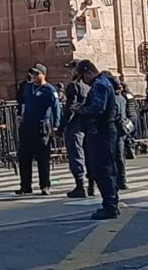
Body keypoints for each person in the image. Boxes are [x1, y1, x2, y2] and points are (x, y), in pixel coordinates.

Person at [73, 60, 121, 220]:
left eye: (83, 77)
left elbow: (98, 108)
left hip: (102, 131)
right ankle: (111, 203)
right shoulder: (103, 82)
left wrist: (80, 109)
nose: (83, 81)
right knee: (106, 168)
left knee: (103, 169)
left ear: (88, 72)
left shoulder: (100, 84)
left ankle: (110, 206)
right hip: (104, 131)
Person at [14, 64, 62, 196]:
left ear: (43, 75)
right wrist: (19, 115)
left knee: (43, 158)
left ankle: (45, 185)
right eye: (32, 74)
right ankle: (25, 185)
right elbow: (21, 102)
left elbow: (56, 108)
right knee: (24, 157)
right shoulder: (27, 87)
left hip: (42, 126)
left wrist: (56, 125)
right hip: (27, 126)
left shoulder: (49, 90)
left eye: (36, 74)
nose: (34, 76)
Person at [62, 60, 92, 198]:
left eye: (71, 69)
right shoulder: (88, 86)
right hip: (87, 124)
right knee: (88, 154)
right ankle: (91, 185)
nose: (70, 72)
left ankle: (80, 186)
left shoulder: (74, 86)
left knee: (76, 155)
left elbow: (70, 109)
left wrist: (61, 127)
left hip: (75, 125)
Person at [113, 81, 132, 191]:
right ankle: (122, 180)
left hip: (114, 129)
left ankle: (119, 180)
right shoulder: (122, 98)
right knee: (120, 156)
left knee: (116, 156)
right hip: (122, 129)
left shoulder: (113, 99)